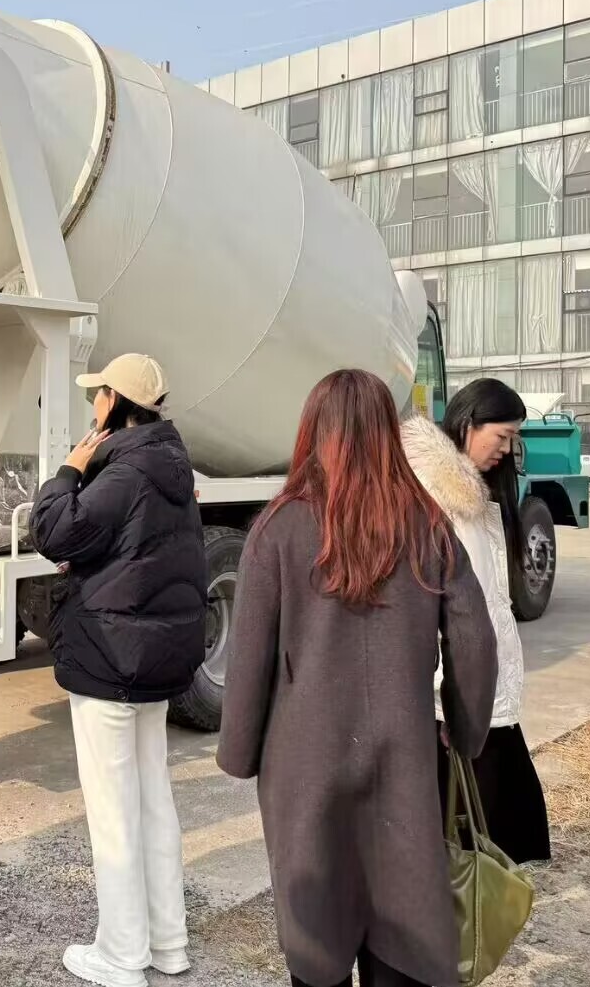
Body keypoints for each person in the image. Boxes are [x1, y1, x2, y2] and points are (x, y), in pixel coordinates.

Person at [217, 369, 499, 987]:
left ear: (312, 431)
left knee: (317, 931)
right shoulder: (427, 523)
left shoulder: (278, 528)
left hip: (304, 762)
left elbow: (249, 657)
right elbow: (475, 640)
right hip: (403, 755)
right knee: (404, 920)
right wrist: (465, 730)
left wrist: (240, 751)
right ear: (386, 435)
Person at [30, 354, 208, 987]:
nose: (92, 403)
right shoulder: (172, 466)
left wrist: (68, 471)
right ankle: (168, 944)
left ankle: (122, 955)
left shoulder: (125, 469)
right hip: (155, 655)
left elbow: (52, 529)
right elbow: (134, 551)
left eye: (97, 393)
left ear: (114, 402)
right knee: (152, 798)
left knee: (113, 810)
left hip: (111, 654)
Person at [402, 378, 552, 866]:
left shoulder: (473, 494)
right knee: (464, 820)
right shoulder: (435, 497)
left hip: (485, 680)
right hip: (454, 689)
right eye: (502, 436)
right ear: (468, 424)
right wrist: (448, 695)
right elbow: (434, 606)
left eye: (513, 439)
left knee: (494, 818)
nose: (507, 450)